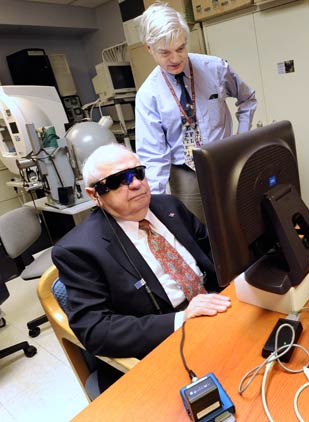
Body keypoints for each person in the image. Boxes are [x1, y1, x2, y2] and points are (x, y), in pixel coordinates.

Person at [51, 143, 231, 391]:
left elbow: (214, 249)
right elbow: (96, 330)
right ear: (94, 195)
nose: (135, 183)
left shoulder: (169, 207)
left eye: (138, 173)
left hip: (218, 310)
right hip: (167, 341)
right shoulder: (79, 250)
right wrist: (181, 318)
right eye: (117, 181)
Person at [135, 2, 257, 224]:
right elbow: (153, 158)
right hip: (185, 173)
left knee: (242, 221)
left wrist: (242, 140)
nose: (175, 59)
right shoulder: (147, 95)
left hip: (225, 160)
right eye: (165, 52)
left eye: (181, 48)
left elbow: (247, 99)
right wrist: (156, 206)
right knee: (200, 232)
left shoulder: (216, 68)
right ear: (149, 49)